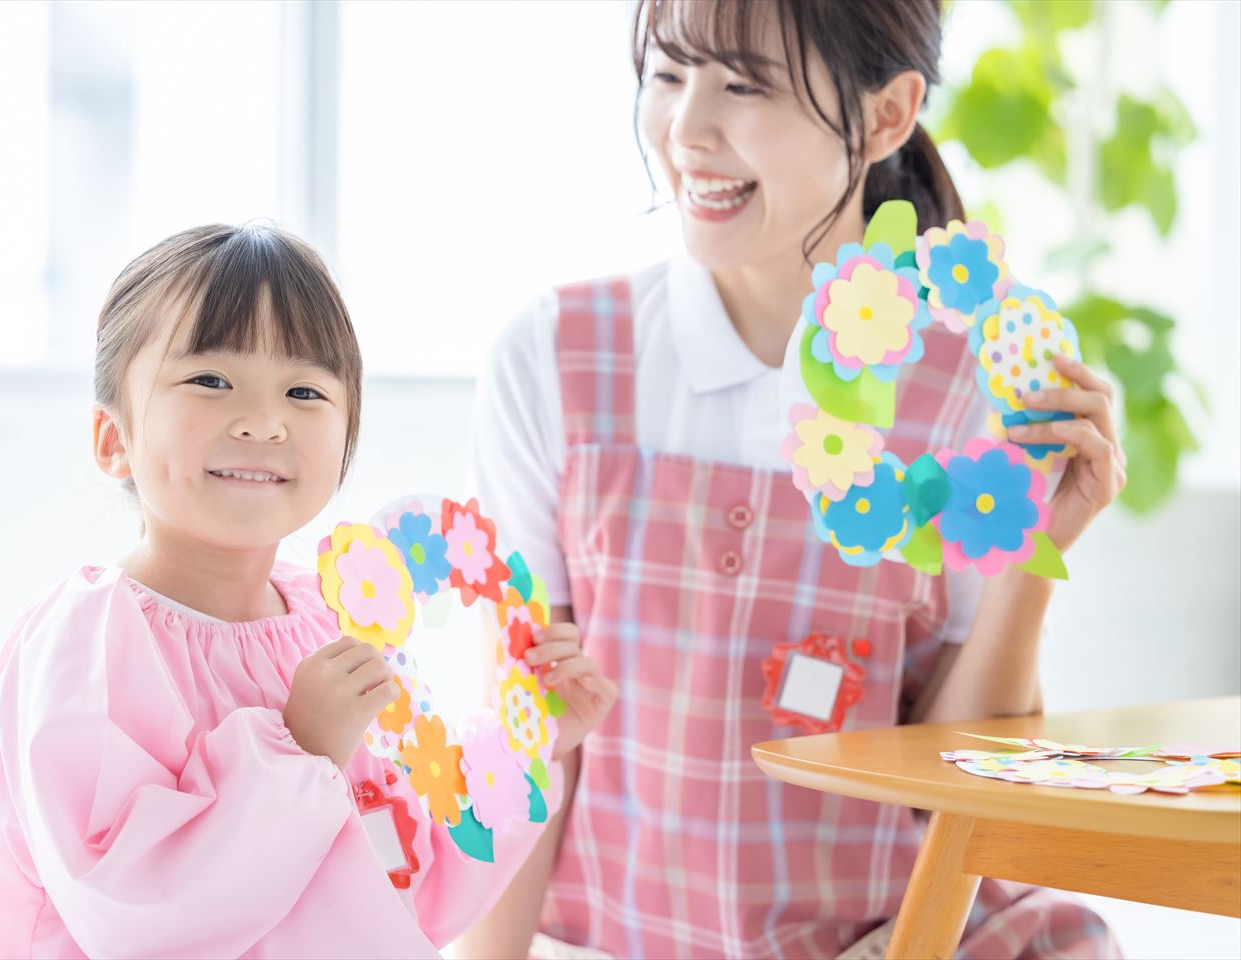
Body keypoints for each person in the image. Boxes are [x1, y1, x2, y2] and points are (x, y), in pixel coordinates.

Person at [458, 2, 1125, 957]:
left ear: (888, 114)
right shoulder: (557, 361)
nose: (687, 130)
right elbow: (525, 742)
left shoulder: (970, 392)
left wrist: (1034, 551)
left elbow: (963, 784)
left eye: (743, 84)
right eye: (668, 74)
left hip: (896, 939)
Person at [0, 223, 618, 958]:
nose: (264, 423)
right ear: (113, 438)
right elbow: (129, 910)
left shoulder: (333, 623)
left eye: (304, 391)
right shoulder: (84, 647)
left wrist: (529, 744)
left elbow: (407, 875)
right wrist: (298, 752)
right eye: (210, 380)